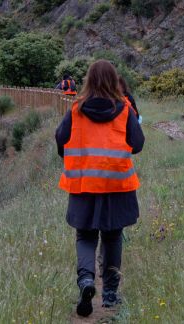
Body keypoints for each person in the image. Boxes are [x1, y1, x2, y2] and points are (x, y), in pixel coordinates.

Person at [55, 60, 145, 316]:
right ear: (113, 80)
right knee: (113, 236)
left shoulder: (76, 110)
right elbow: (137, 144)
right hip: (117, 185)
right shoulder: (125, 110)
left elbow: (60, 140)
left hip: (84, 184)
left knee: (85, 236)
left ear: (89, 81)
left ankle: (86, 281)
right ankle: (110, 295)